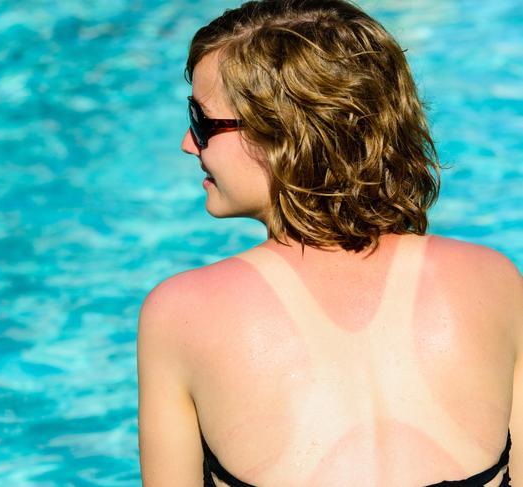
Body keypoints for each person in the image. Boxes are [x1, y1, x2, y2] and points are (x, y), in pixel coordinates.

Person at [137, 0, 523, 485]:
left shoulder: (180, 312)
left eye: (201, 121)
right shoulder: (493, 281)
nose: (188, 144)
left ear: (281, 134)